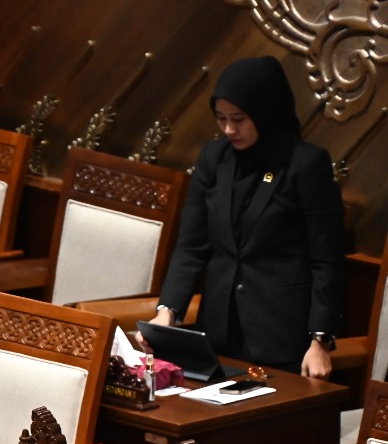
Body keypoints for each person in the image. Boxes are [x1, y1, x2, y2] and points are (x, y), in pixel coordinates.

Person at [148, 56, 345, 377]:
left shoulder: (306, 165)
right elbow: (191, 246)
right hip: (217, 334)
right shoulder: (213, 159)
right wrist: (167, 311)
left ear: (265, 111)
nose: (229, 129)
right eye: (221, 118)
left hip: (283, 341)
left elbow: (327, 260)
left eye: (238, 118)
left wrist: (320, 340)